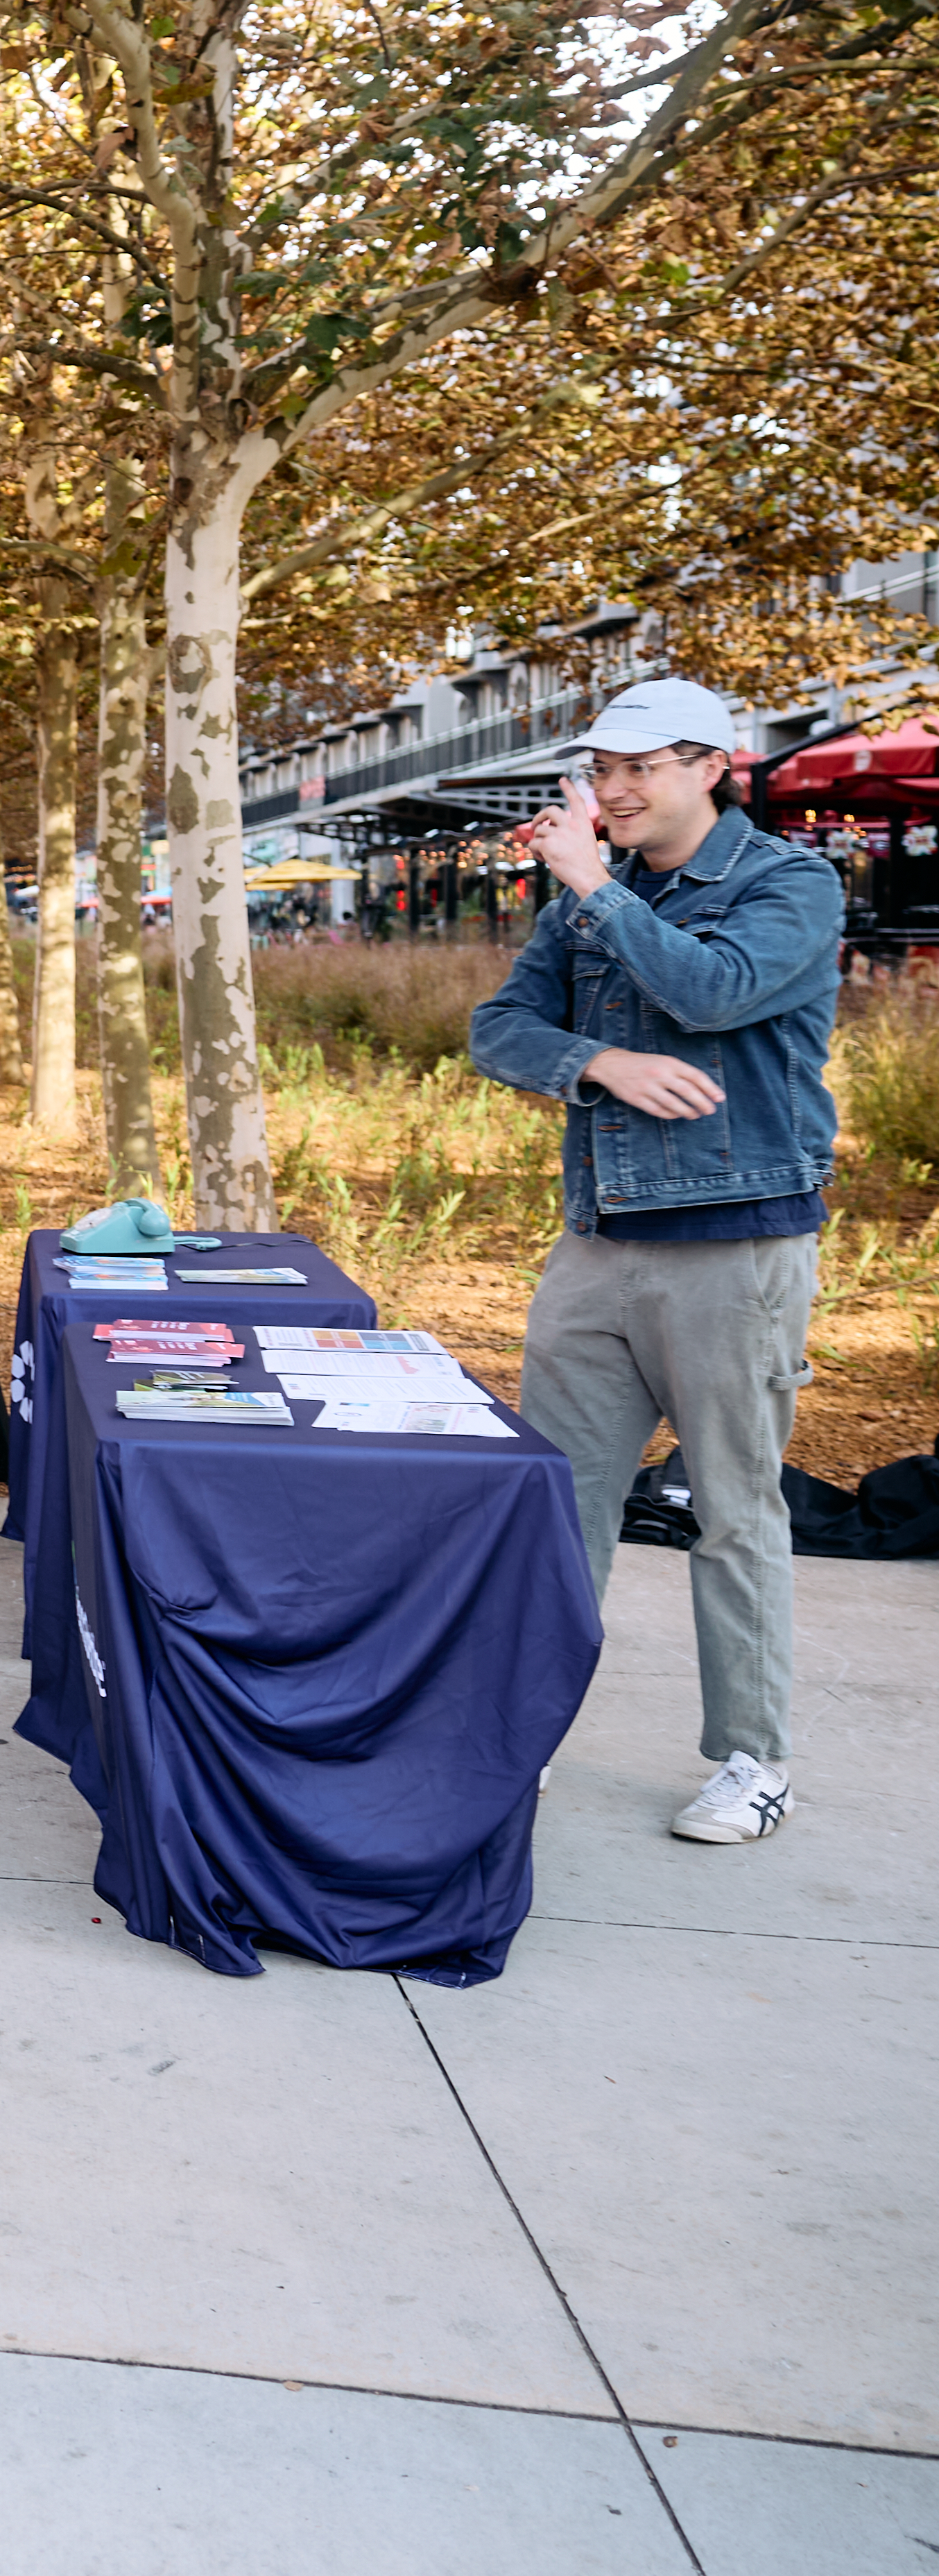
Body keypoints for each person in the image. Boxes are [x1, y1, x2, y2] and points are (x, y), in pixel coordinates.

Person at [472, 676, 842, 1844]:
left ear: (711, 766)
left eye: (639, 768)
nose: (613, 790)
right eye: (603, 768)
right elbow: (500, 1027)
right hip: (596, 1244)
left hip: (737, 1246)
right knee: (558, 1505)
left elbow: (712, 989)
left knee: (732, 1510)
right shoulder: (599, 893)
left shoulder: (789, 883)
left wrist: (587, 885)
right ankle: (520, 1734)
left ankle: (750, 1758)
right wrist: (595, 1064)